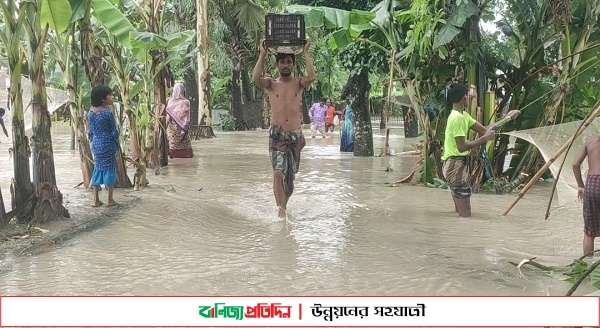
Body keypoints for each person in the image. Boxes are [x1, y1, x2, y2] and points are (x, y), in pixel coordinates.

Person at [252, 38, 315, 218]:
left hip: (294, 135)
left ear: (293, 65)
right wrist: (262, 53)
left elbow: (312, 77)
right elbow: (255, 78)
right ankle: (281, 211)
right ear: (278, 65)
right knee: (278, 173)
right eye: (282, 62)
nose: (285, 65)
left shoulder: (298, 83)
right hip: (277, 134)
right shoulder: (271, 84)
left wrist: (305, 52)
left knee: (290, 179)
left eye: (288, 62)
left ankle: (283, 207)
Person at [441, 83, 519, 217]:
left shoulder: (461, 115)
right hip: (456, 166)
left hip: (454, 166)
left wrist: (507, 118)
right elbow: (462, 147)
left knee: (459, 214)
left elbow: (484, 129)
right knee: (466, 214)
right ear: (464, 97)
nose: (469, 98)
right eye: (468, 95)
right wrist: (484, 139)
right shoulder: (458, 118)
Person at [88, 86, 119, 207]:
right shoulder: (107, 113)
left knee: (97, 168)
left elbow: (90, 131)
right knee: (109, 169)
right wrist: (116, 140)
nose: (112, 97)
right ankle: (109, 200)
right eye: (110, 95)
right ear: (103, 99)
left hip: (96, 144)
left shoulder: (90, 112)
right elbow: (113, 131)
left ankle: (95, 200)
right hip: (107, 144)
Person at [573, 134, 600, 257]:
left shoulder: (589, 141)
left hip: (592, 185)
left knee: (589, 231)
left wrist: (580, 185)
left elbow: (575, 165)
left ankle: (586, 266)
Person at [165, 83, 194, 158]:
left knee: (173, 142)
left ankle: (173, 155)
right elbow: (187, 117)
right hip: (183, 127)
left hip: (172, 126)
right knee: (185, 142)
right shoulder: (186, 102)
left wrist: (165, 126)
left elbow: (168, 115)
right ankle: (187, 155)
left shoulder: (170, 101)